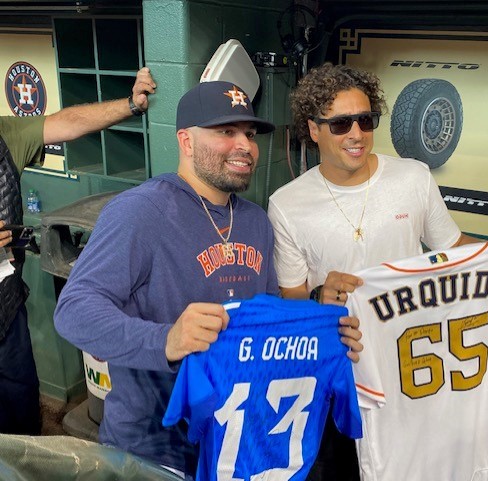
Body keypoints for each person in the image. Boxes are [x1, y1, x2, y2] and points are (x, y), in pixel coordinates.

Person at [53, 80, 363, 479]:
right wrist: (165, 340)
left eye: (249, 135)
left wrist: (323, 322)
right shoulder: (139, 212)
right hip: (154, 449)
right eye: (225, 132)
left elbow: (265, 321)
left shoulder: (254, 221)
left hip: (236, 444)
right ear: (185, 140)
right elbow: (73, 311)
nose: (245, 146)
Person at [267, 62, 488, 481]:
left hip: (418, 359)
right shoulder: (287, 204)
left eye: (365, 119)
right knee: (351, 466)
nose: (356, 134)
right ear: (313, 128)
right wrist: (320, 294)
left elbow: (452, 247)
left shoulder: (413, 176)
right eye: (340, 124)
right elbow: (292, 299)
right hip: (346, 363)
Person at [0, 67, 156, 435]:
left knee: (21, 408)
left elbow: (67, 122)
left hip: (6, 314)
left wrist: (131, 105)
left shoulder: (5, 134)